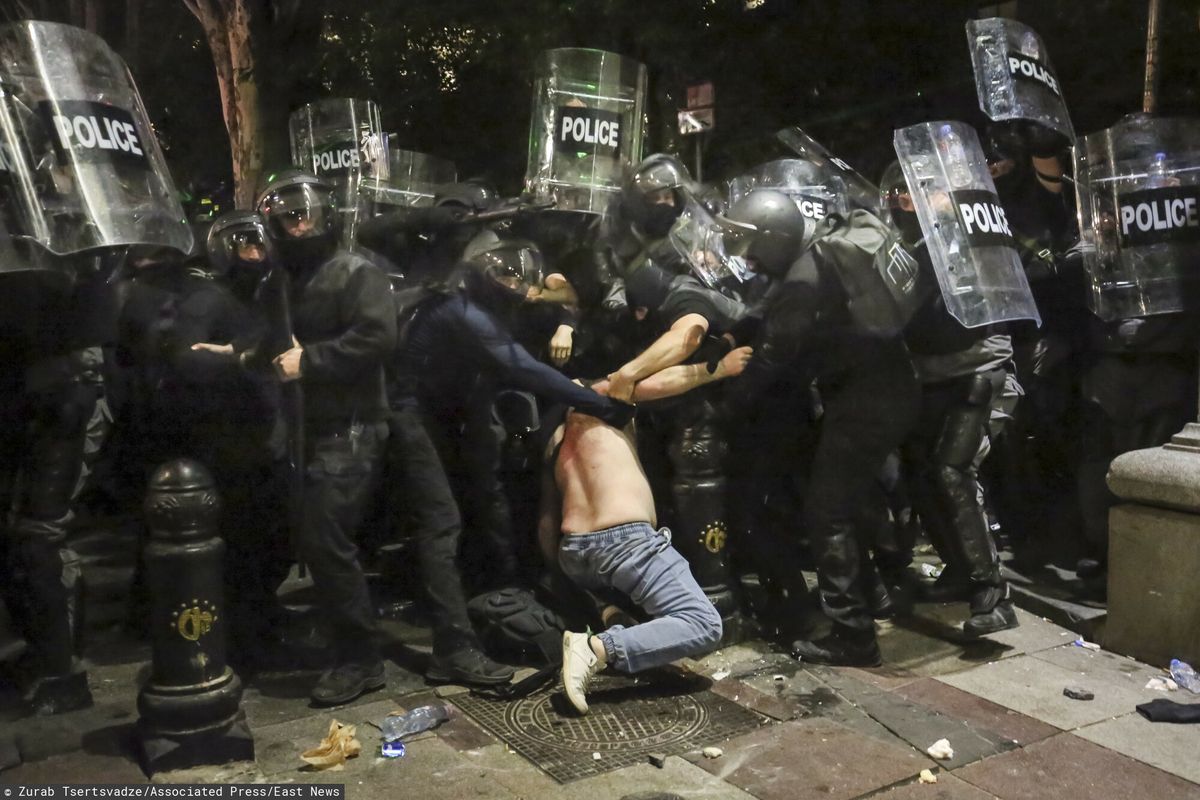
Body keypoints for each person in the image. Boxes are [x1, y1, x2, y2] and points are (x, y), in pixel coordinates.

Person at [724, 189, 920, 666]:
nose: (747, 257)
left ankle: (853, 636)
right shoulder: (819, 254)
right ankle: (875, 598)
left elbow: (775, 354)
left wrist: (727, 400)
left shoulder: (803, 280)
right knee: (847, 499)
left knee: (827, 512)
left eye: (751, 246)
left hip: (864, 403)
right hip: (891, 388)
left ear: (773, 239)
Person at [253, 169, 397, 706]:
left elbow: (378, 337)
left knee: (326, 540)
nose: (296, 225)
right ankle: (342, 639)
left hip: (351, 426)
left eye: (303, 213)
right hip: (307, 427)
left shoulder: (356, 273)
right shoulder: (284, 281)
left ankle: (362, 659)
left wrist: (309, 361)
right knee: (313, 540)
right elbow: (272, 344)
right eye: (285, 217)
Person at [546, 345, 753, 715]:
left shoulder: (557, 438)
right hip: (625, 543)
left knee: (626, 598)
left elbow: (546, 527)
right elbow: (660, 382)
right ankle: (596, 649)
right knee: (704, 624)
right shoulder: (600, 400)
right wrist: (718, 368)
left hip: (574, 550)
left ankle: (611, 614)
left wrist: (571, 582)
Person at [880, 162, 1021, 637]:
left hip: (977, 370)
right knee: (923, 475)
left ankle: (992, 593)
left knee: (952, 471)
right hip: (929, 375)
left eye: (916, 192)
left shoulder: (965, 237)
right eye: (899, 192)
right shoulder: (908, 245)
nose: (906, 201)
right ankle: (960, 572)